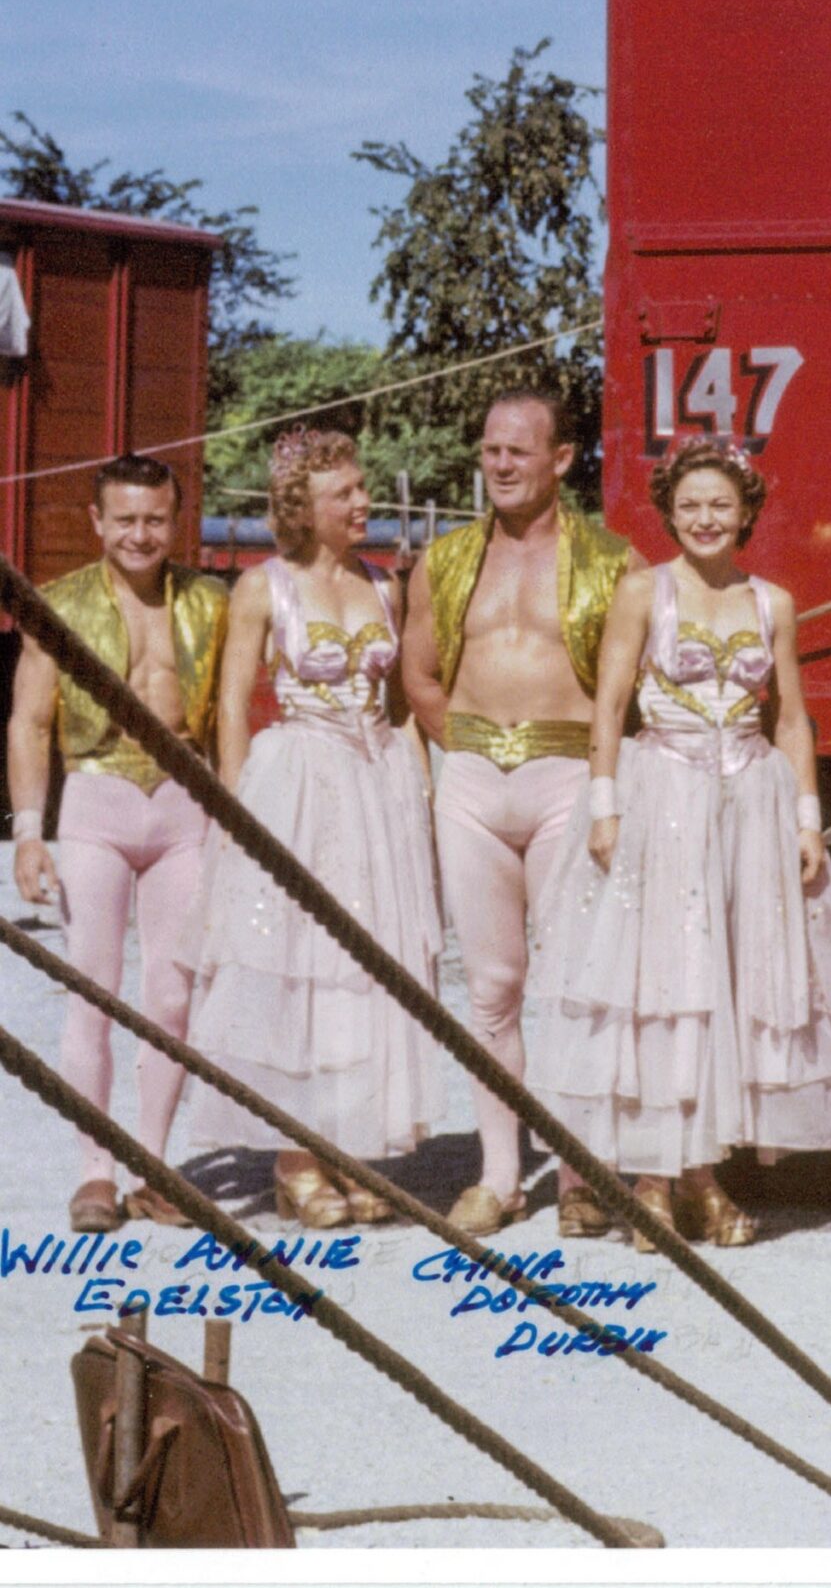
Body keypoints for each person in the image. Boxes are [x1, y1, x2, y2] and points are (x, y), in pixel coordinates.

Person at [523, 439, 831, 1250]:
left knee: (733, 991)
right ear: (669, 514)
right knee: (665, 990)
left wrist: (806, 820)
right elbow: (609, 708)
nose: (706, 520)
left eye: (721, 505)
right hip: (661, 799)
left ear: (745, 511)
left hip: (749, 803)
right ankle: (651, 1182)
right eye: (690, 507)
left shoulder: (771, 601)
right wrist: (605, 808)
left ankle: (704, 1178)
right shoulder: (644, 592)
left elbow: (789, 716)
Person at [183, 432, 443, 1226]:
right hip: (297, 784)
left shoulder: (384, 587)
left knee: (369, 967)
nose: (363, 504)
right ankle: (296, 1159)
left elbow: (399, 705)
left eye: (362, 490)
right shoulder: (264, 589)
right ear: (303, 508)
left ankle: (354, 1149)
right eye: (346, 495)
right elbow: (231, 704)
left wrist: (420, 794)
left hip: (377, 785)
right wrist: (234, 811)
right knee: (298, 965)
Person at [402, 391, 632, 1237]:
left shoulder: (614, 563)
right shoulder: (447, 559)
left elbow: (625, 693)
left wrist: (601, 783)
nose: (499, 465)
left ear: (562, 459)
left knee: (574, 986)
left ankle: (580, 1172)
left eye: (519, 452)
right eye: (490, 450)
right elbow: (419, 674)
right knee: (494, 988)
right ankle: (500, 1174)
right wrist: (461, 756)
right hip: (471, 781)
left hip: (567, 777)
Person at [8, 455, 228, 1232]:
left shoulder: (211, 600)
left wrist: (235, 822)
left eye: (155, 519)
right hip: (96, 798)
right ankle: (95, 1172)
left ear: (177, 520)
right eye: (125, 519)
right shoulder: (57, 605)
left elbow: (228, 720)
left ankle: (153, 1167)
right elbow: (30, 724)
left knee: (172, 997)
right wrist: (30, 835)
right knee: (92, 992)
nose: (141, 535)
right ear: (98, 522)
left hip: (183, 801)